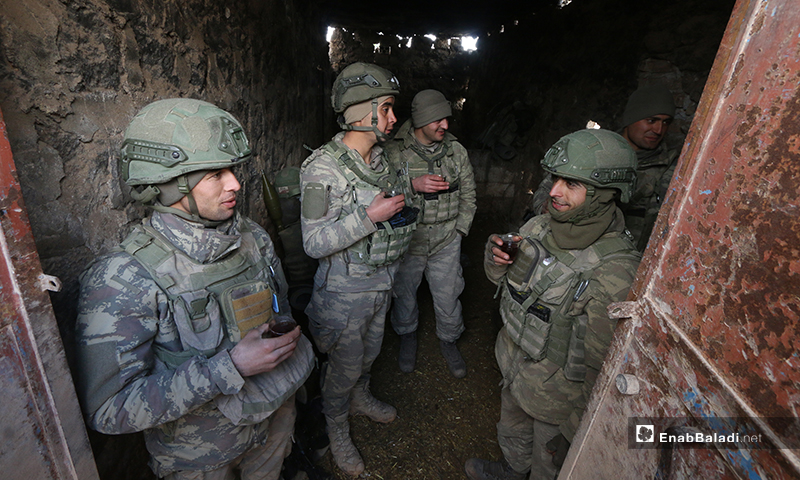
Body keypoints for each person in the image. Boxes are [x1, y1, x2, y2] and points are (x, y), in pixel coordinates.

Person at [74, 98, 315, 480]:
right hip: (201, 461)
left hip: (273, 421)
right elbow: (109, 409)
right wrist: (230, 367)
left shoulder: (252, 237)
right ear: (169, 185)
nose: (235, 183)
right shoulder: (125, 276)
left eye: (232, 169)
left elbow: (278, 307)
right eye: (215, 174)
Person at [465, 129, 642, 480]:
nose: (555, 192)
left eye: (572, 185)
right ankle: (512, 471)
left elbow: (603, 371)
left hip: (558, 407)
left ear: (605, 194)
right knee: (512, 432)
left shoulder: (616, 273)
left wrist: (576, 427)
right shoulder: (539, 226)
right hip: (515, 369)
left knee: (549, 466)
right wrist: (494, 258)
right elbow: (503, 283)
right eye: (557, 178)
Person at [299, 62, 416, 476]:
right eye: (385, 109)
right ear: (358, 112)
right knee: (343, 368)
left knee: (369, 354)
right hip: (343, 295)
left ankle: (360, 398)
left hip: (381, 282)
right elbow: (313, 243)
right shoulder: (322, 168)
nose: (393, 118)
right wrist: (369, 216)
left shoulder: (384, 160)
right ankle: (336, 428)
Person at [385, 89, 477, 378]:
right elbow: (378, 194)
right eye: (438, 120)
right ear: (421, 120)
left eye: (447, 119)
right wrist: (412, 184)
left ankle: (449, 340)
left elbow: (469, 196)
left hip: (446, 240)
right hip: (408, 241)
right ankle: (407, 336)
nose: (445, 126)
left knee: (449, 295)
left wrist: (460, 231)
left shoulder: (456, 152)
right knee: (404, 293)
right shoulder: (393, 151)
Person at [530, 84, 678, 251]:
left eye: (666, 122)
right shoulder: (592, 149)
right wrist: (553, 211)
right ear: (631, 118)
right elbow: (544, 193)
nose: (659, 130)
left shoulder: (673, 166)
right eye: (651, 121)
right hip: (565, 250)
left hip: (621, 257)